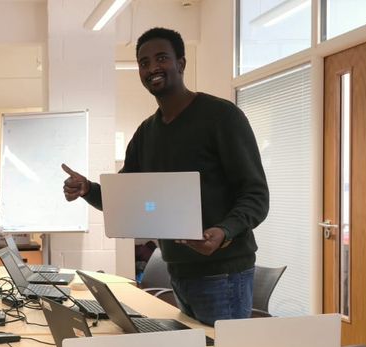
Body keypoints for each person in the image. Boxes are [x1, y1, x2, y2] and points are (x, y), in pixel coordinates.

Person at [62, 27, 268, 326]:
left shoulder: (221, 117)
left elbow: (256, 195)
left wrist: (223, 231)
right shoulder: (147, 132)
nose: (152, 68)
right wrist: (88, 189)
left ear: (181, 63)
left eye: (161, 58)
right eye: (144, 63)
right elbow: (126, 198)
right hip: (179, 272)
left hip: (223, 273)